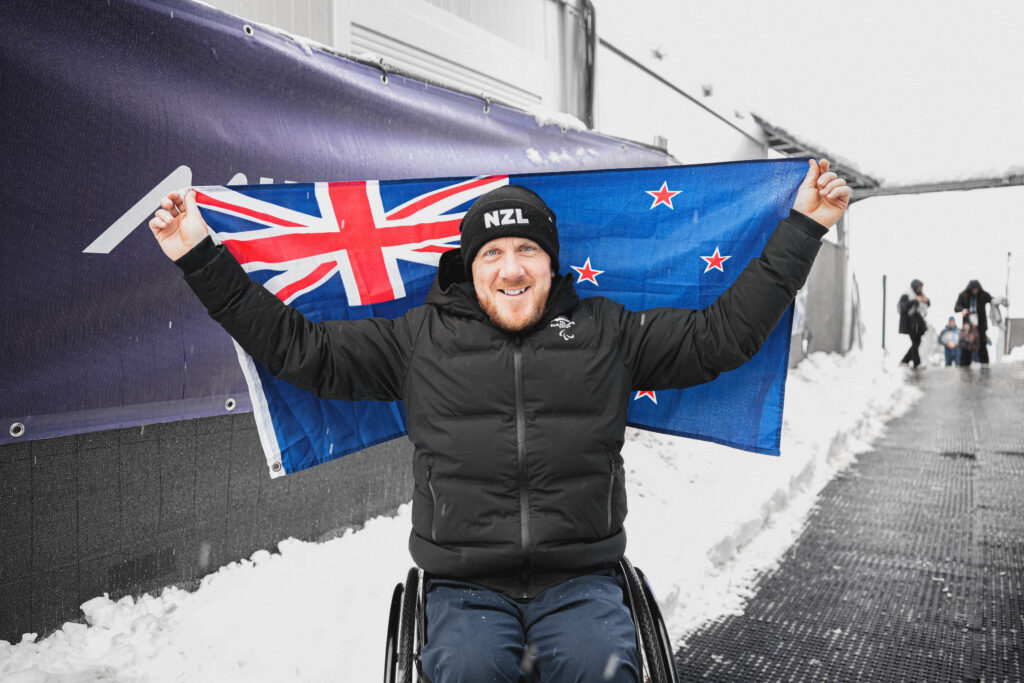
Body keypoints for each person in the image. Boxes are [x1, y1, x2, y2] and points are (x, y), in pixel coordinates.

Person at [149, 159, 850, 682]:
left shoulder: (608, 332)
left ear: (550, 266)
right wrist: (197, 253)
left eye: (527, 253)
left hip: (582, 579)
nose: (511, 268)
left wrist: (805, 226)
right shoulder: (417, 340)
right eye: (493, 253)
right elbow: (297, 349)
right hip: (463, 585)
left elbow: (722, 335)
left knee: (602, 667)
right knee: (467, 669)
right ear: (469, 267)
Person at [954, 280, 1008, 364]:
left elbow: (992, 300)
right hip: (968, 325)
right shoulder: (963, 295)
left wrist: (1001, 301)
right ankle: (964, 366)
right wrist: (962, 309)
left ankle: (985, 364)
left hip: (981, 324)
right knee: (966, 345)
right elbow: (956, 307)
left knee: (982, 344)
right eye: (973, 289)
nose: (975, 291)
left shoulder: (983, 295)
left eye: (976, 289)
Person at [898, 279, 929, 368]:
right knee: (915, 341)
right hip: (911, 323)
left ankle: (905, 360)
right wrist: (914, 300)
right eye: (919, 287)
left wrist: (922, 299)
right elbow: (903, 306)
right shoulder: (906, 295)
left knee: (917, 341)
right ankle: (917, 363)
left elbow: (928, 302)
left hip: (918, 323)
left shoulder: (921, 295)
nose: (920, 289)